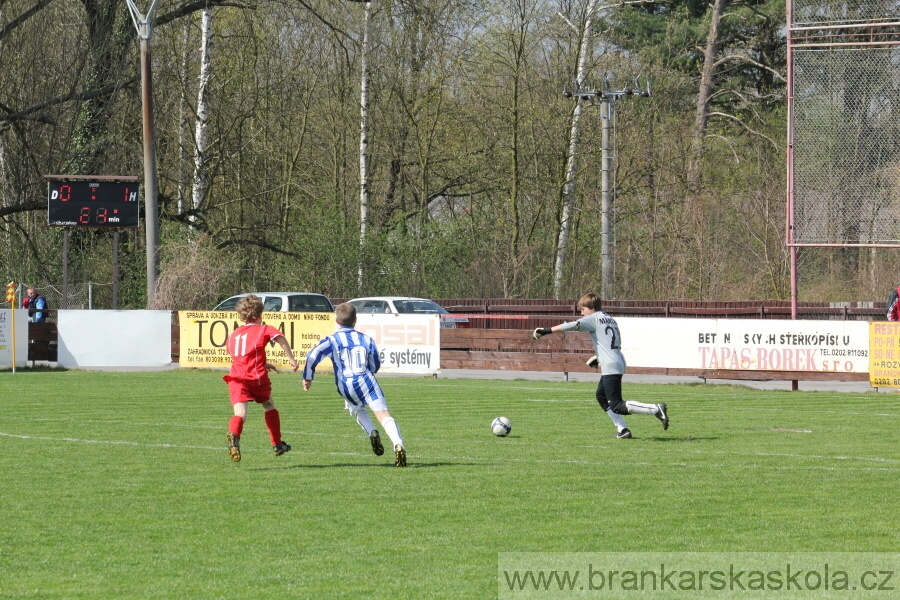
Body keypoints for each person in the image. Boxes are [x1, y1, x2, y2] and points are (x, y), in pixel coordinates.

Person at [532, 292, 669, 439]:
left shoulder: (593, 318)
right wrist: (599, 358)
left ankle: (655, 409)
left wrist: (546, 331)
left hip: (611, 364)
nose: (581, 312)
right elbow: (608, 342)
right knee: (601, 396)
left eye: (583, 309)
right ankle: (623, 430)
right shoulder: (609, 318)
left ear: (591, 307)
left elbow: (571, 325)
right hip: (616, 359)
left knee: (617, 405)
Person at [302, 302, 407, 467]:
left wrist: (308, 377)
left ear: (336, 320)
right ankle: (398, 443)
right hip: (367, 379)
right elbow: (375, 364)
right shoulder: (366, 339)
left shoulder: (332, 340)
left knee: (357, 409)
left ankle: (372, 431)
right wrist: (370, 369)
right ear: (355, 320)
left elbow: (313, 355)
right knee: (383, 414)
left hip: (346, 384)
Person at [223, 294, 298, 462]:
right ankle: (277, 444)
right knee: (269, 404)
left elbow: (241, 355)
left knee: (240, 413)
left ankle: (234, 434)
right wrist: (292, 359)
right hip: (255, 377)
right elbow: (280, 338)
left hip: (236, 377)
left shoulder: (234, 334)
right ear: (260, 314)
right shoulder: (263, 329)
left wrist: (263, 363)